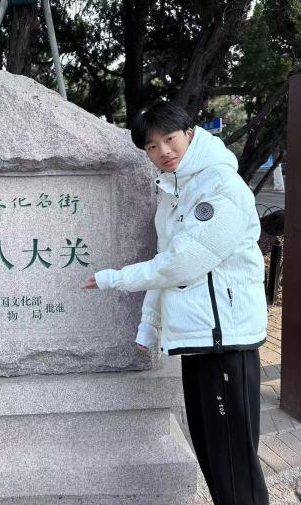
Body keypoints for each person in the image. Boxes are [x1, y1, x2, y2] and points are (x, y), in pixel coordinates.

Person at [81, 103, 269, 505]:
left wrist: (116, 278)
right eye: (151, 146)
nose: (163, 151)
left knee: (234, 463)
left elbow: (183, 263)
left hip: (225, 340)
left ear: (189, 132)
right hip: (197, 339)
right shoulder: (173, 190)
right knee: (212, 454)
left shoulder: (220, 184)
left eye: (169, 139)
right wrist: (149, 326)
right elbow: (166, 262)